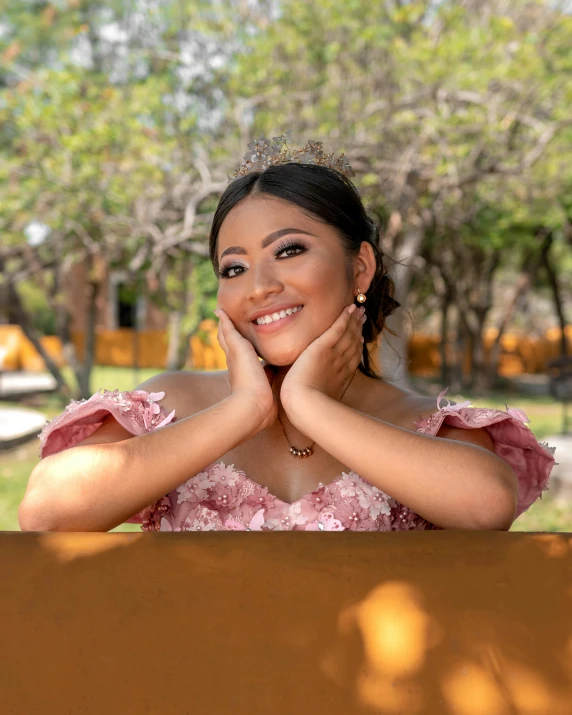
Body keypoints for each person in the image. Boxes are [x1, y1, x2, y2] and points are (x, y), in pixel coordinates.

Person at [18, 135, 556, 533]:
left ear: (361, 268)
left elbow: (486, 506)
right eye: (234, 268)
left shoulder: (426, 425)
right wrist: (245, 409)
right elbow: (47, 509)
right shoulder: (173, 404)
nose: (259, 286)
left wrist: (308, 403)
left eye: (289, 250)